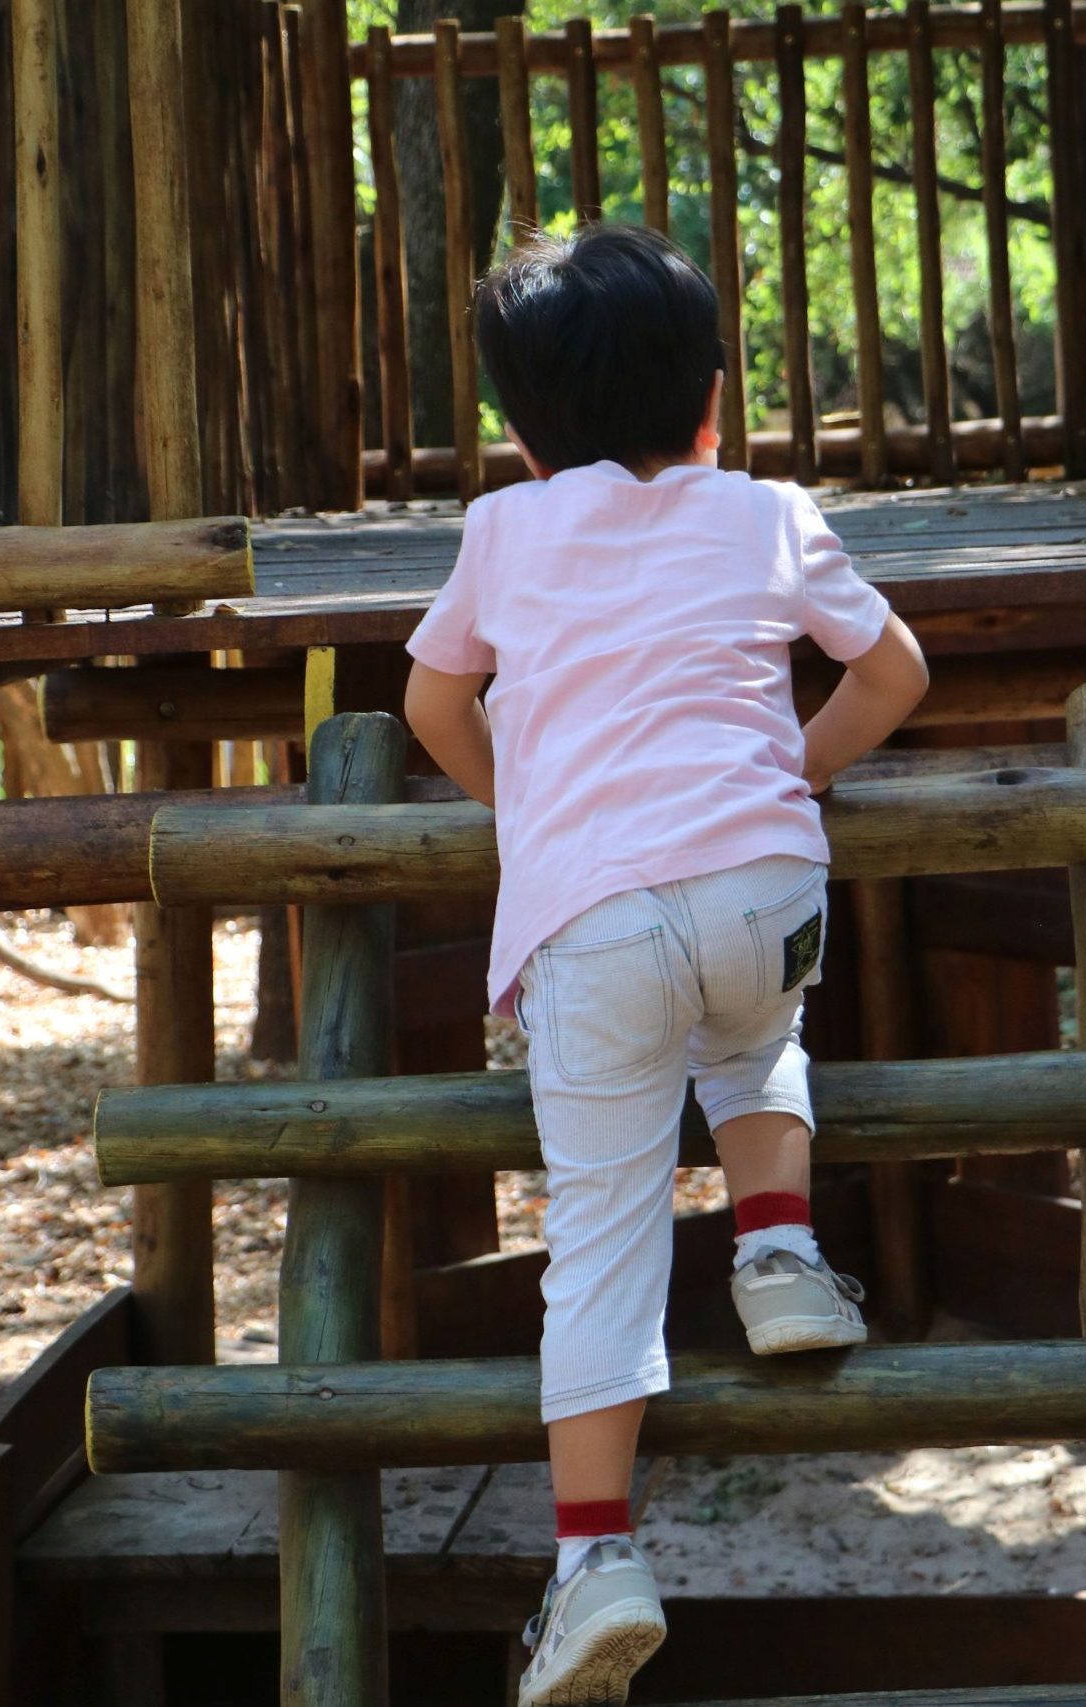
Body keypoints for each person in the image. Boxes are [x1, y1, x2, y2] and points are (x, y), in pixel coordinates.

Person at [405, 223, 929, 1707]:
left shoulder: (504, 534)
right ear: (714, 400)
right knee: (760, 1042)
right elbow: (893, 672)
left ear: (521, 437)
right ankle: (779, 1255)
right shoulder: (767, 513)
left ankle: (591, 1566)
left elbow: (437, 702)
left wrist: (540, 811)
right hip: (768, 890)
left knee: (606, 1246)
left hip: (595, 928)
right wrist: (796, 771)